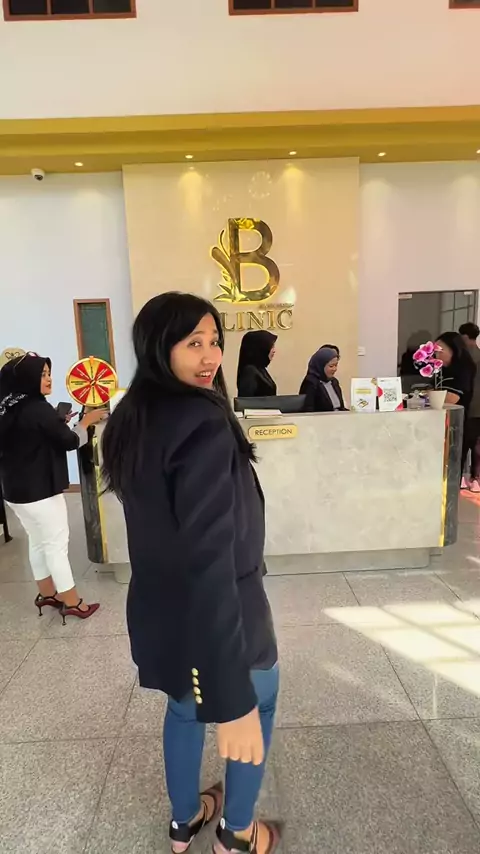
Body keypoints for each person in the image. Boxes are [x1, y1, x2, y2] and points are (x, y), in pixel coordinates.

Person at [101, 293, 280, 854]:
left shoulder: (130, 416)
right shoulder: (201, 420)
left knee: (183, 707)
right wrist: (231, 697)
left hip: (160, 605)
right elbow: (209, 557)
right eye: (193, 343)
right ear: (159, 347)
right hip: (225, 606)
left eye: (215, 342)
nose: (210, 357)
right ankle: (238, 833)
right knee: (258, 702)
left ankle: (184, 823)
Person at [0, 353, 106, 622]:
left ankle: (47, 593)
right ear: (28, 378)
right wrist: (85, 422)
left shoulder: (9, 405)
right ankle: (72, 602)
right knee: (56, 545)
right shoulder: (38, 408)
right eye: (42, 374)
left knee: (38, 541)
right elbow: (70, 441)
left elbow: (34, 436)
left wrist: (59, 423)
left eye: (48, 373)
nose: (48, 379)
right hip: (40, 491)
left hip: (14, 491)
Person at [435, 331, 476, 486]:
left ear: (454, 349)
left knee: (451, 468)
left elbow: (452, 399)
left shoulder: (464, 368)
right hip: (442, 424)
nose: (436, 356)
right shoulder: (442, 370)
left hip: (459, 425)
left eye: (440, 351)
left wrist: (428, 395)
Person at [459, 322, 480, 491]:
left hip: (468, 406)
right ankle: (476, 479)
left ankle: (459, 477)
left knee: (463, 443)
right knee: (478, 445)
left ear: (465, 337)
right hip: (479, 408)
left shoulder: (464, 358)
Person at [299, 346, 347, 412]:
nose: (334, 369)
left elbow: (341, 407)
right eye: (331, 366)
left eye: (336, 365)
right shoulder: (310, 382)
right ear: (320, 366)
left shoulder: (334, 382)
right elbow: (308, 410)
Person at [237, 331, 277, 398]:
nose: (274, 350)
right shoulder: (250, 371)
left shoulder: (260, 369)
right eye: (271, 347)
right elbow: (246, 401)